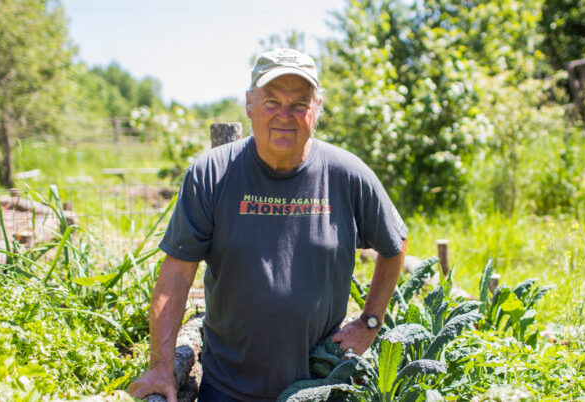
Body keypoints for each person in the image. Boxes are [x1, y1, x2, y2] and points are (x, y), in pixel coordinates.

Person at [128, 48, 408, 401]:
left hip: (319, 387)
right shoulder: (211, 174)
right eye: (272, 101)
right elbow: (176, 276)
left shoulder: (347, 175)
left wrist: (370, 322)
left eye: (299, 104)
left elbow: (395, 245)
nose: (284, 116)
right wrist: (159, 367)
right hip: (227, 389)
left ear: (317, 107)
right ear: (249, 104)